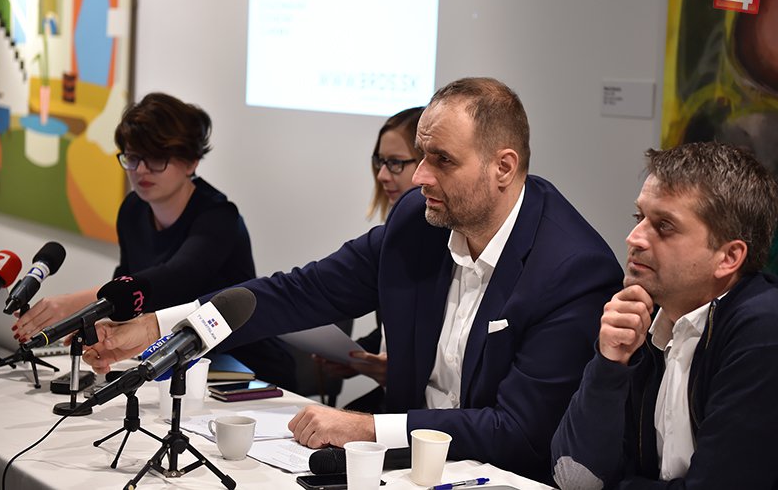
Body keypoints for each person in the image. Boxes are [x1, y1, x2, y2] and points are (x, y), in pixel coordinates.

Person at [84, 77, 622, 484]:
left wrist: (366, 427)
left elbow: (518, 432)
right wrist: (159, 326)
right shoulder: (418, 222)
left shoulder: (572, 270)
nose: (419, 177)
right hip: (396, 467)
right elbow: (300, 291)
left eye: (442, 160)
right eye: (421, 155)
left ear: (503, 167)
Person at [12, 92, 295, 387]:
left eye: (157, 158)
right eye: (133, 158)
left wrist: (73, 305)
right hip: (172, 359)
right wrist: (99, 328)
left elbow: (176, 278)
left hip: (243, 368)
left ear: (191, 162)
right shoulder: (133, 210)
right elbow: (126, 286)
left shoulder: (219, 217)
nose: (141, 170)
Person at [551, 142, 778, 489]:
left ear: (729, 257)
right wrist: (609, 363)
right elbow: (574, 477)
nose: (634, 238)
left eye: (664, 226)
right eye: (639, 218)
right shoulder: (645, 314)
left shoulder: (763, 331)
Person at [316, 106, 425, 407]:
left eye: (395, 163)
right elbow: (394, 328)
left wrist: (396, 370)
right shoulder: (394, 238)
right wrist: (356, 356)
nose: (381, 175)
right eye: (380, 161)